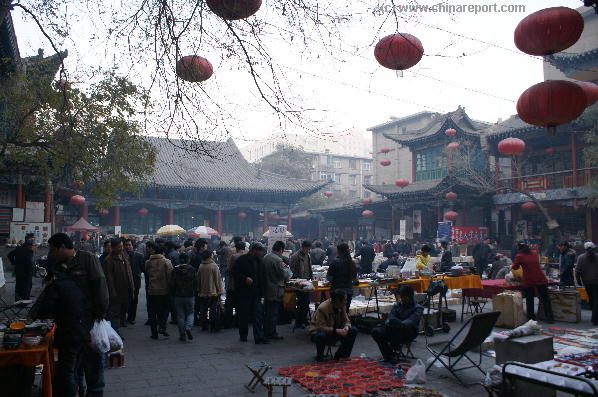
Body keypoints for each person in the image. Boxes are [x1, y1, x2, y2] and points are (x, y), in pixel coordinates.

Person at [46, 233, 109, 397]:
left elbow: (100, 287)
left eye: (53, 250)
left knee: (93, 362)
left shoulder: (87, 259)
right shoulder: (58, 265)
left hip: (89, 319)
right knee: (74, 365)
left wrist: (98, 317)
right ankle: (78, 391)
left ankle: (95, 392)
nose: (52, 253)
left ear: (62, 247)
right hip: (69, 323)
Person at [33, 268, 89, 397]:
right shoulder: (74, 284)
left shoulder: (56, 287)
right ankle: (80, 391)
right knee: (77, 368)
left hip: (69, 334)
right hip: (83, 331)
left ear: (52, 277)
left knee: (68, 371)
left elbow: (43, 308)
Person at [371, 285, 423, 363]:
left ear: (409, 296)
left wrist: (399, 323)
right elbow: (391, 316)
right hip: (394, 328)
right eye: (401, 296)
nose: (401, 298)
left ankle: (394, 353)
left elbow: (411, 321)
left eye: (403, 296)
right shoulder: (398, 305)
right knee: (376, 331)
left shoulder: (417, 308)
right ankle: (390, 355)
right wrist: (391, 322)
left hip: (409, 331)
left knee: (397, 328)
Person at [232, 242, 268, 343]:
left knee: (258, 315)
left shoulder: (260, 261)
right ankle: (243, 335)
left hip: (256, 292)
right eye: (260, 251)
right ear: (254, 250)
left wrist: (263, 291)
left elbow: (263, 277)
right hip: (244, 292)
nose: (261, 253)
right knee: (244, 315)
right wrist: (244, 278)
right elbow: (234, 272)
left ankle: (258, 336)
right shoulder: (242, 260)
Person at [308, 289, 358, 362]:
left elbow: (346, 321)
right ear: (338, 301)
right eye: (345, 300)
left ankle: (342, 356)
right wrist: (337, 331)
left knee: (353, 330)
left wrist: (346, 327)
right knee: (321, 336)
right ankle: (320, 357)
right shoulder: (323, 308)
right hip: (320, 332)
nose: (346, 302)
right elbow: (320, 327)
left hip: (335, 330)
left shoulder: (342, 305)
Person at [512, 242, 554, 322]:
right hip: (540, 277)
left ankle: (531, 317)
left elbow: (515, 267)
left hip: (529, 279)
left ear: (519, 249)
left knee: (529, 298)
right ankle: (550, 317)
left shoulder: (519, 256)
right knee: (545, 298)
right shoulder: (535, 253)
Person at [102, 239, 135, 330]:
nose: (121, 248)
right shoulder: (108, 260)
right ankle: (115, 332)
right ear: (113, 248)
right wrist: (113, 294)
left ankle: (118, 330)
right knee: (115, 314)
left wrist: (132, 288)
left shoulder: (124, 255)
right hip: (116, 293)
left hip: (126, 291)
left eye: (122, 246)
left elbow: (129, 272)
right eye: (119, 247)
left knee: (122, 312)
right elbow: (109, 279)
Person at [145, 241, 173, 339]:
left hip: (152, 290)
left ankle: (154, 333)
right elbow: (170, 276)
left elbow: (148, 274)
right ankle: (162, 325)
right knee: (165, 309)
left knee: (152, 312)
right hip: (164, 290)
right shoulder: (166, 262)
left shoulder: (148, 262)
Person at [263, 240, 290, 340]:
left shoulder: (266, 257)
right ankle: (272, 333)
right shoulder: (278, 260)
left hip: (266, 288)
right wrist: (287, 270)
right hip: (275, 289)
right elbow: (285, 275)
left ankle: (266, 331)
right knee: (273, 313)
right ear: (281, 249)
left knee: (267, 312)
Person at [169, 250, 197, 341]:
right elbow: (196, 282)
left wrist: (172, 293)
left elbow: (172, 284)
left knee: (180, 316)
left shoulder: (175, 270)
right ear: (188, 260)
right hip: (190, 295)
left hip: (178, 296)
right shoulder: (192, 269)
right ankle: (188, 327)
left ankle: (182, 335)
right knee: (190, 313)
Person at [197, 249, 225, 332]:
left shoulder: (201, 266)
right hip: (213, 292)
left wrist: (199, 289)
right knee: (213, 309)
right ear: (210, 256)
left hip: (203, 292)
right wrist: (220, 291)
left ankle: (204, 325)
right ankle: (213, 326)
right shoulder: (214, 266)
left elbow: (198, 279)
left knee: (203, 309)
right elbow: (218, 280)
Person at [326, 243, 357, 312]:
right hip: (349, 291)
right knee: (346, 310)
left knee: (336, 311)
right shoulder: (352, 263)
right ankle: (345, 322)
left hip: (337, 291)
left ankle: (337, 322)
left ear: (339, 251)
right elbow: (355, 280)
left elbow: (329, 278)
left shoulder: (335, 262)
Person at [290, 240, 313, 328]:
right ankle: (299, 322)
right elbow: (291, 269)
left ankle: (304, 319)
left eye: (309, 249)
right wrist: (297, 280)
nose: (308, 251)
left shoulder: (308, 255)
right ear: (303, 248)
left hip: (307, 281)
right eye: (307, 249)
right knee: (301, 302)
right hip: (299, 282)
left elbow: (309, 267)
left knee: (306, 302)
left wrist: (311, 277)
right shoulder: (295, 256)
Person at [575, 242, 598, 325]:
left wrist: (578, 280)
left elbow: (577, 271)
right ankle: (595, 319)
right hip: (596, 282)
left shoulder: (581, 258)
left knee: (592, 299)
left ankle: (594, 317)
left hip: (587, 282)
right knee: (595, 300)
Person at [124, 239, 144, 325]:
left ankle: (131, 318)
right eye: (126, 245)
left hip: (135, 281)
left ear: (133, 246)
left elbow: (142, 268)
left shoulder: (139, 256)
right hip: (124, 282)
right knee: (125, 300)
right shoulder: (121, 256)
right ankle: (123, 317)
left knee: (134, 300)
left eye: (129, 245)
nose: (128, 247)